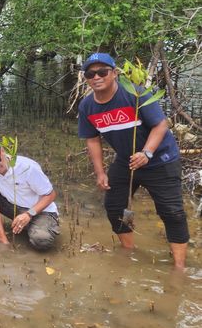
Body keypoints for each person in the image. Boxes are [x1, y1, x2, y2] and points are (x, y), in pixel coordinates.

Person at [77, 53, 188, 269]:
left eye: (102, 72)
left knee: (172, 212)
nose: (96, 77)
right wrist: (100, 172)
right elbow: (92, 139)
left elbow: (161, 125)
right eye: (90, 74)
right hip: (127, 160)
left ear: (115, 73)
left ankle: (179, 268)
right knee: (114, 206)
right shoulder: (87, 106)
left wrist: (146, 153)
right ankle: (128, 251)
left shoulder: (136, 95)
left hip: (160, 159)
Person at [0, 137, 60, 250]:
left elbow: (51, 195)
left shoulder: (27, 167)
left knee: (41, 240)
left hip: (40, 211)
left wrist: (29, 214)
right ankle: (0, 228)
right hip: (13, 206)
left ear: (2, 151)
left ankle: (32, 226)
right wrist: (3, 240)